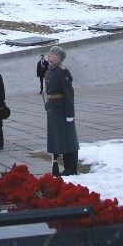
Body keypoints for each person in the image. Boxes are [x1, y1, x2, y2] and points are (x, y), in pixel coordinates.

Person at [44, 46, 80, 176]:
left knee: (67, 139)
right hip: (53, 110)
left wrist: (70, 114)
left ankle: (71, 168)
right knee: (58, 139)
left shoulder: (62, 71)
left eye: (52, 54)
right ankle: (62, 167)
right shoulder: (50, 71)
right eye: (50, 53)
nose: (49, 55)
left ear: (59, 58)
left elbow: (68, 94)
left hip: (62, 110)